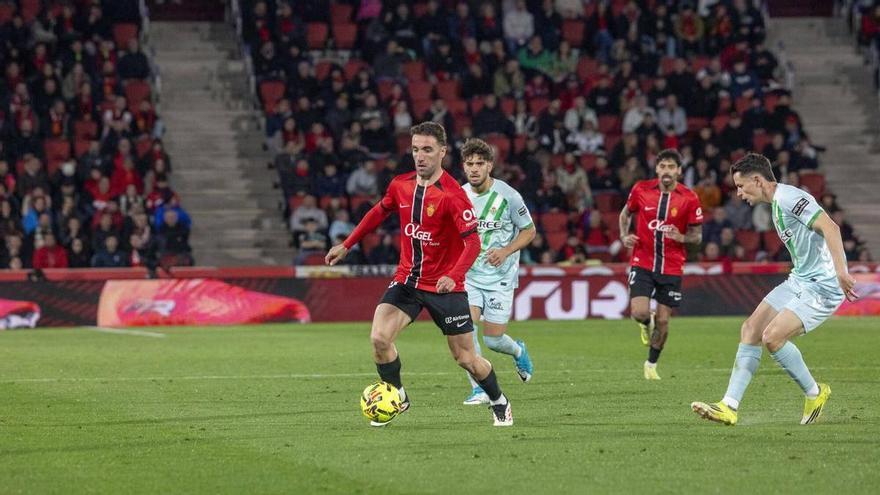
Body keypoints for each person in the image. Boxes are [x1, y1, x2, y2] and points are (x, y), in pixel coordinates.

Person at [325, 122, 512, 427]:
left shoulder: (453, 195)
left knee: (466, 359)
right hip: (408, 281)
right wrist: (347, 244)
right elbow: (378, 212)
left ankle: (499, 401)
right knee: (379, 339)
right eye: (415, 149)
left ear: (442, 152)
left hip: (445, 287)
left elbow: (473, 242)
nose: (420, 156)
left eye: (427, 149)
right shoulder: (401, 184)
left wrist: (454, 275)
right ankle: (398, 396)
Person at [692, 153, 858, 426]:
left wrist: (841, 272)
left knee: (772, 338)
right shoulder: (776, 203)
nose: (739, 193)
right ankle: (729, 406)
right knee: (750, 330)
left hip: (823, 287)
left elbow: (831, 227)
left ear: (757, 180)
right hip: (800, 280)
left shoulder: (789, 199)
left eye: (741, 186)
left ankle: (815, 393)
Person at [457, 138, 536, 405]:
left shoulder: (509, 196)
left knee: (493, 339)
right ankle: (480, 388)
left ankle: (517, 351)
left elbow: (530, 230)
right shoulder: (459, 195)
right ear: (464, 167)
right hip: (469, 276)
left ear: (490, 165)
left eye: (480, 163)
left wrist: (506, 251)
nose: (475, 169)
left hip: (501, 278)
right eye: (470, 164)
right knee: (466, 331)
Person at [619, 149, 704, 380]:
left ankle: (651, 364)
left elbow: (697, 236)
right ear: (657, 169)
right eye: (663, 166)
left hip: (672, 266)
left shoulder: (689, 198)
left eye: (671, 167)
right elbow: (625, 214)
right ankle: (646, 322)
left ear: (679, 171)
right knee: (639, 312)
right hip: (643, 261)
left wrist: (682, 238)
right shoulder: (641, 189)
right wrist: (624, 235)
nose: (667, 171)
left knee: (664, 321)